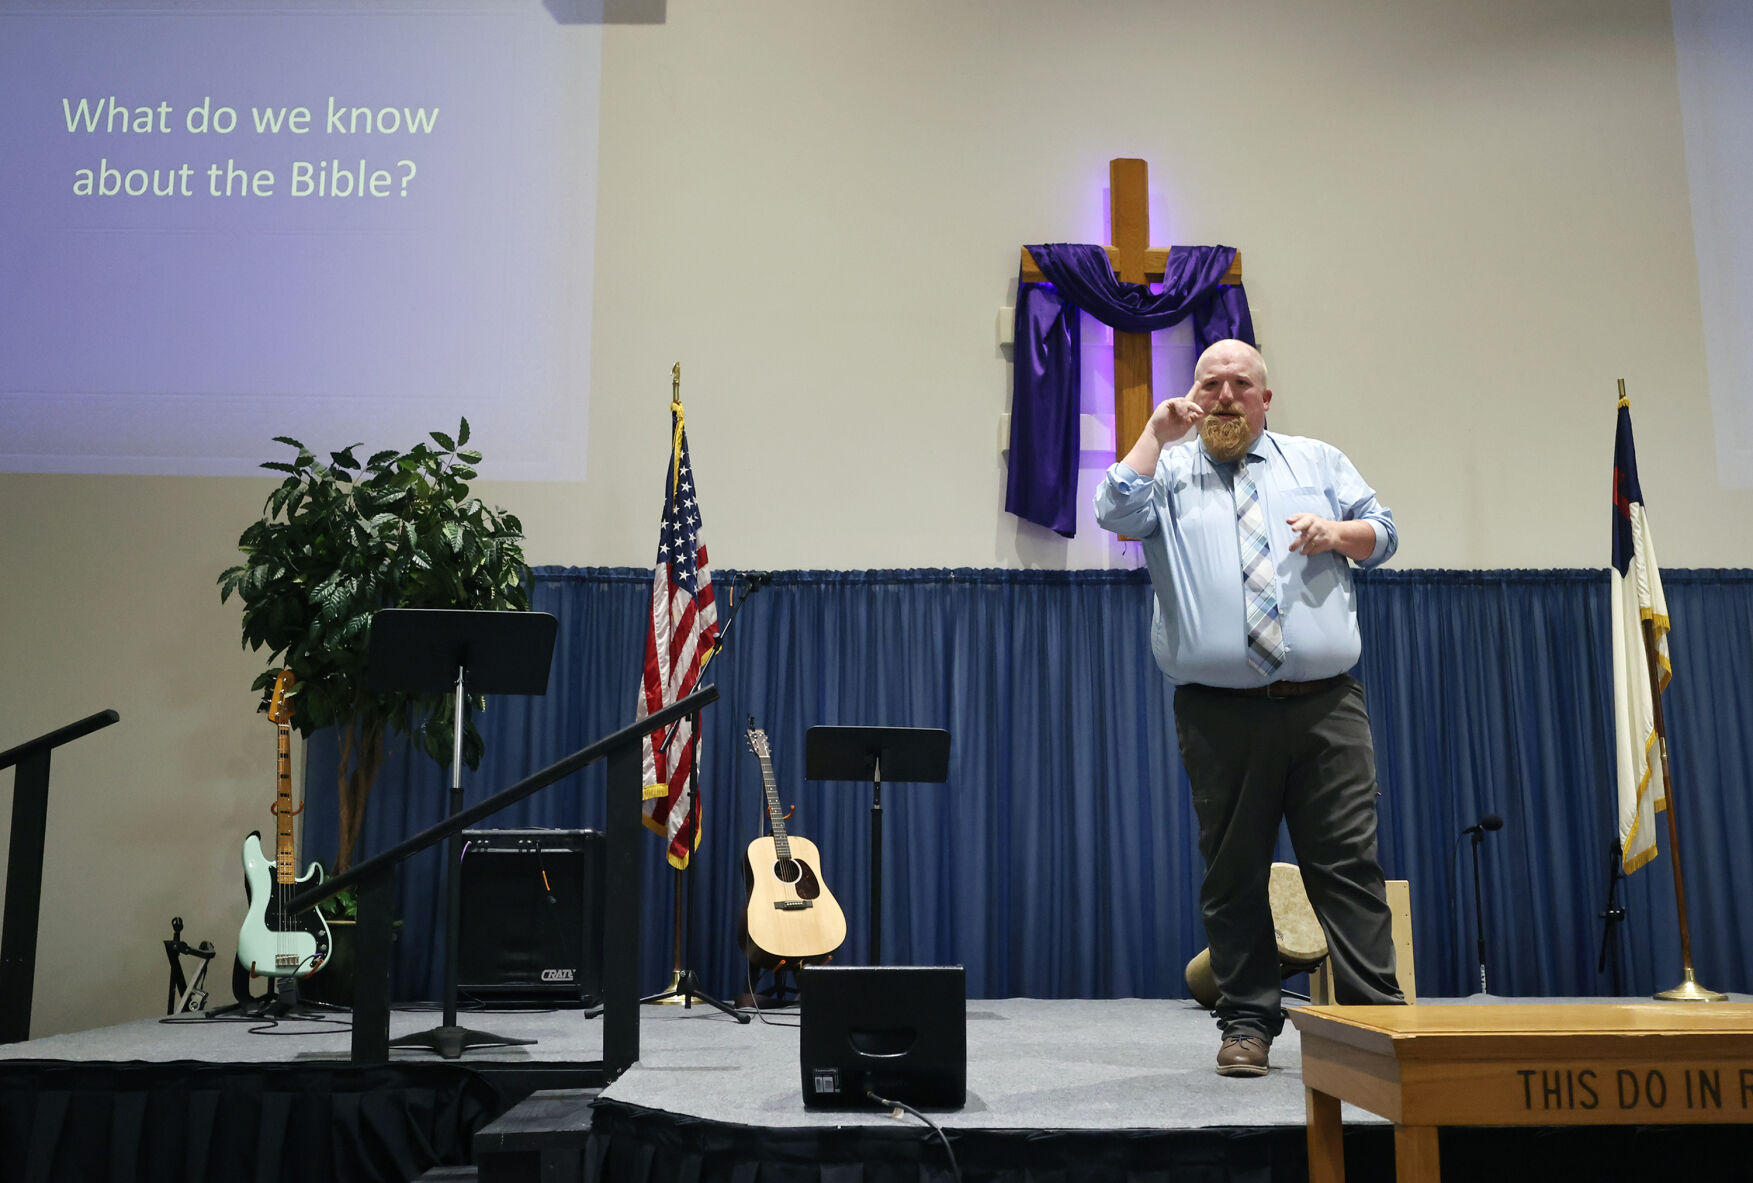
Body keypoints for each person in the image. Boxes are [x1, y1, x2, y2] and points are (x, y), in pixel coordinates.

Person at [1094, 339, 1403, 1078]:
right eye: (1210, 383)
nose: (1225, 394)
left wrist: (1338, 534)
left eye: (1241, 383)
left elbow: (1385, 532)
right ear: (1193, 396)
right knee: (1231, 871)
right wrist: (1153, 435)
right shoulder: (1166, 469)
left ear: (1265, 397)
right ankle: (1247, 1021)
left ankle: (1372, 1018)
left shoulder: (1318, 462)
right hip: (1219, 713)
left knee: (1346, 867)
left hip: (1325, 705)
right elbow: (1113, 510)